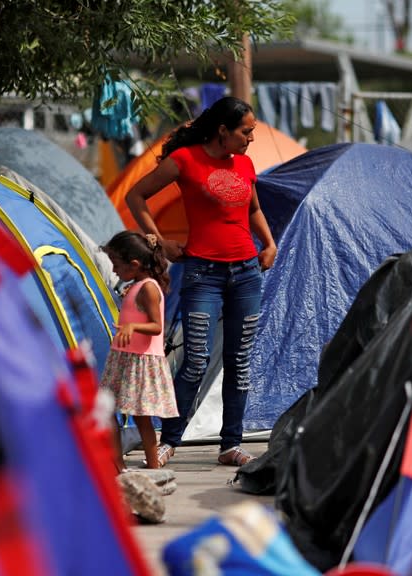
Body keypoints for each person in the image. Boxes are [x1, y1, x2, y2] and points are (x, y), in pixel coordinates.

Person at [126, 96, 277, 467]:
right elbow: (135, 196)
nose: (251, 138)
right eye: (246, 131)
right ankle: (169, 439)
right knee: (195, 360)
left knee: (239, 362)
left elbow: (254, 208)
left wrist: (270, 243)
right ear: (222, 131)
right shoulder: (185, 160)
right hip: (201, 274)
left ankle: (231, 445)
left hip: (246, 273)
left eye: (253, 131)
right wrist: (158, 241)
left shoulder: (244, 163)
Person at [99, 230, 179, 471]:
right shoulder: (137, 285)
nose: (114, 271)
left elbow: (156, 326)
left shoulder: (149, 289)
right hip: (123, 357)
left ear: (134, 264)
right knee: (108, 409)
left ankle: (153, 468)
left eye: (116, 265)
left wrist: (132, 326)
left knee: (142, 417)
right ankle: (117, 465)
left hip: (141, 361)